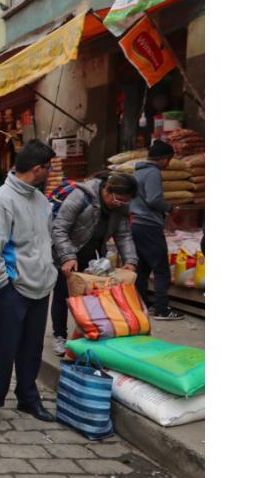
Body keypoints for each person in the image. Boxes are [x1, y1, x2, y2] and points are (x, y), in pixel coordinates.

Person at [0, 140, 58, 427]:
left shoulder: (40, 200)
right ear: (38, 169)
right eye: (48, 168)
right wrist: (3, 284)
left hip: (40, 286)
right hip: (12, 289)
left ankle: (28, 397)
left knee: (32, 347)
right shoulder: (1, 202)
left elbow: (45, 239)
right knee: (6, 346)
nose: (50, 172)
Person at [49, 172, 140, 355]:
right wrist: (67, 256)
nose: (121, 204)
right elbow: (59, 228)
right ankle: (60, 335)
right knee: (63, 295)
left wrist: (130, 260)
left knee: (92, 299)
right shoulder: (81, 196)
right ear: (107, 189)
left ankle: (86, 336)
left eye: (125, 202)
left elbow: (123, 235)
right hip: (67, 254)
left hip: (94, 257)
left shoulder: (120, 208)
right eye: (119, 200)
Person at [129, 141, 184, 320]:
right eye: (168, 160)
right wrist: (170, 208)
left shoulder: (138, 171)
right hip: (149, 225)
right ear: (162, 159)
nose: (168, 164)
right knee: (161, 269)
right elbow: (154, 199)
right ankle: (161, 309)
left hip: (136, 224)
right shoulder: (153, 172)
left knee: (142, 269)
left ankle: (141, 304)